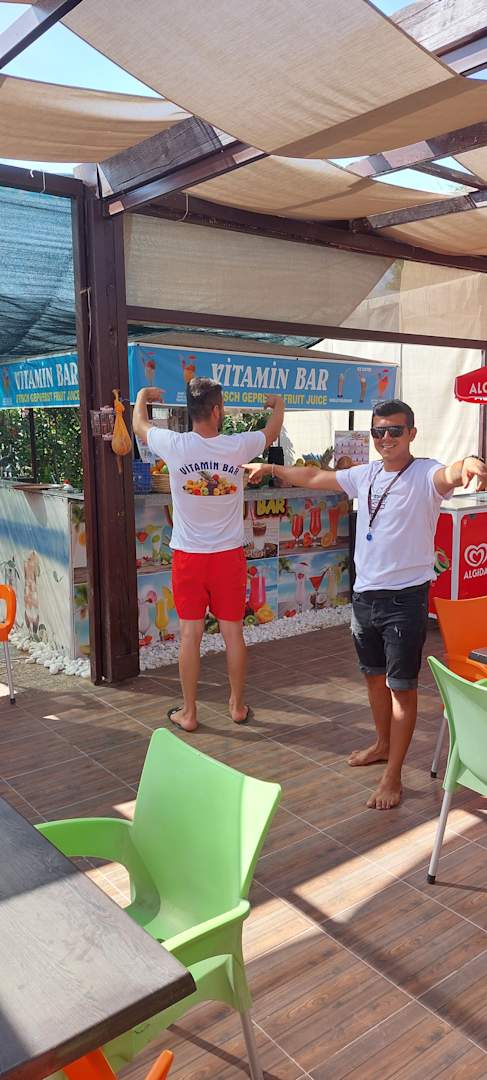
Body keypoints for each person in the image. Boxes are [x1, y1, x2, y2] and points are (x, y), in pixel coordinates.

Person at [247, 399, 487, 810]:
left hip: (404, 600)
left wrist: (470, 462)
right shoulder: (367, 474)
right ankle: (381, 744)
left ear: (411, 433)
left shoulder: (425, 474)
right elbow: (315, 476)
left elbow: (449, 473)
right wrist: (271, 470)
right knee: (374, 678)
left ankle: (393, 775)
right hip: (364, 598)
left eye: (395, 430)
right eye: (379, 431)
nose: (386, 438)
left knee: (401, 688)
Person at [133, 379, 284, 731]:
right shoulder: (236, 446)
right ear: (216, 411)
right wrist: (277, 404)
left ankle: (189, 713)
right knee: (233, 633)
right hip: (228, 557)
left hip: (189, 557)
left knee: (190, 634)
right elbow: (272, 432)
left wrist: (142, 397)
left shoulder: (175, 445)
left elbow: (140, 426)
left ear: (191, 411)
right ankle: (237, 706)